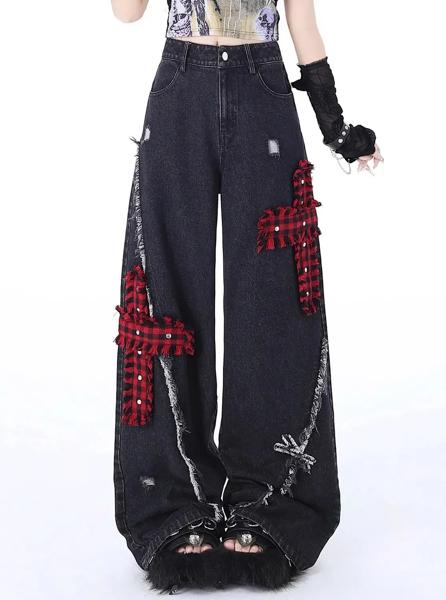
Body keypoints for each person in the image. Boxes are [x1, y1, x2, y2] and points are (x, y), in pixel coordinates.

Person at [111, 0, 383, 593]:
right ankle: (174, 502)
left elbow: (301, 22)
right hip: (179, 86)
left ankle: (272, 499)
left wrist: (335, 125)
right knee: (163, 296)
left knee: (277, 292)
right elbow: (127, 14)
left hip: (264, 88)